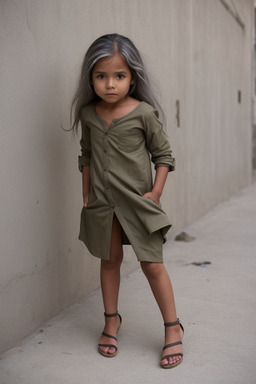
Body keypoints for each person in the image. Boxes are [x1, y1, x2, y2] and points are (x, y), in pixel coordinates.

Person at [71, 33, 184, 369]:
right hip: (103, 205)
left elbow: (163, 155)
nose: (110, 84)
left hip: (138, 203)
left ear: (132, 77)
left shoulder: (144, 113)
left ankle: (173, 327)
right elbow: (86, 154)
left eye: (119, 76)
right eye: (101, 76)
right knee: (109, 260)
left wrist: (156, 193)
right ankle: (111, 321)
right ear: (91, 77)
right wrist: (86, 191)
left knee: (152, 265)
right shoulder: (89, 114)